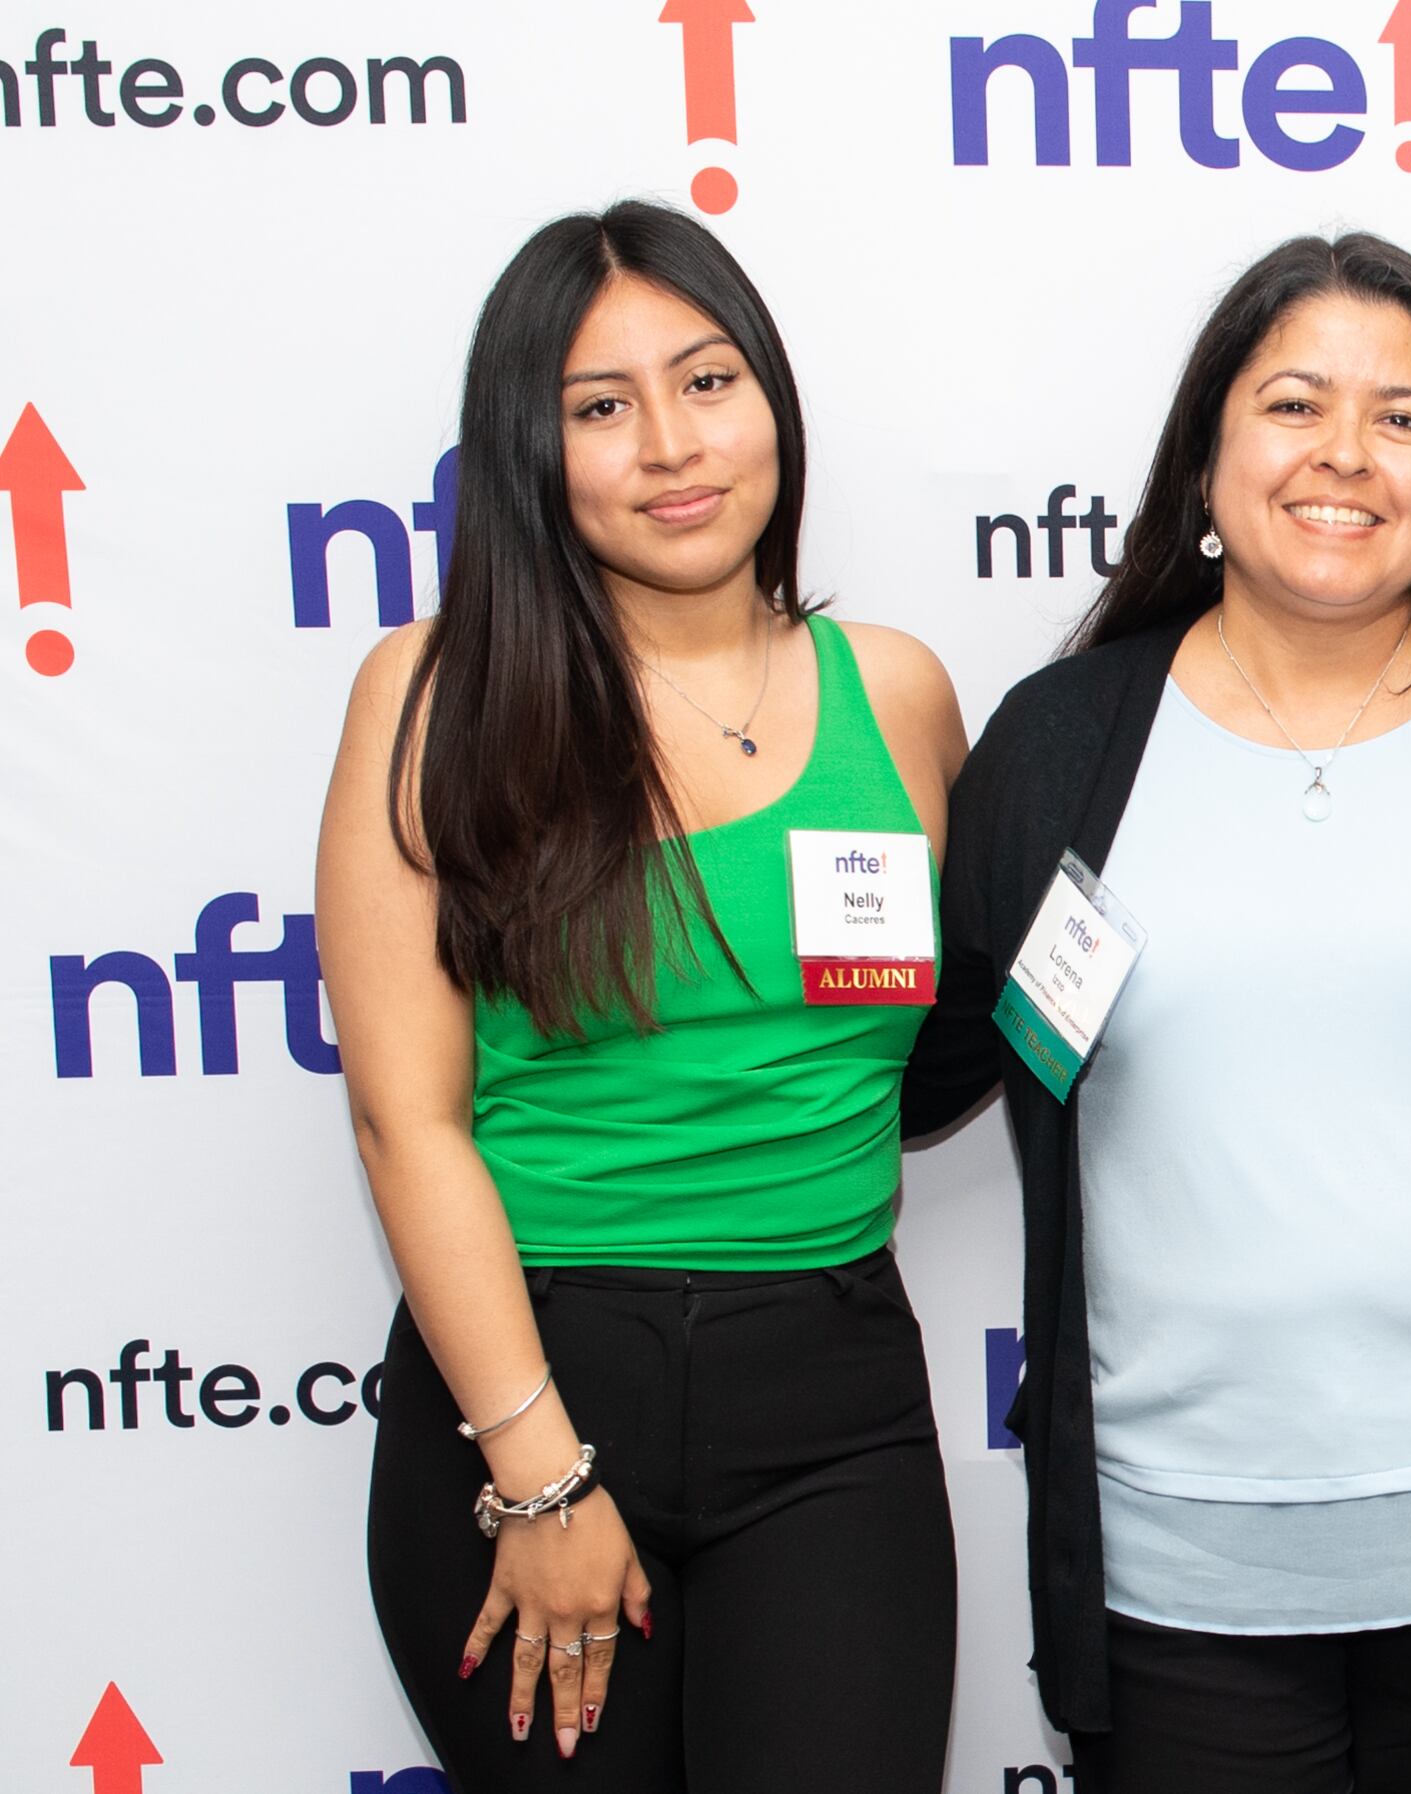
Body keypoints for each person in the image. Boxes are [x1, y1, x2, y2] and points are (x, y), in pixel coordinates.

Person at [902, 232, 1411, 1794]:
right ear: (1207, 453)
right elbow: (926, 1065)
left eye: (1403, 417)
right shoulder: (1060, 748)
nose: (1345, 454)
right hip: (1178, 1587)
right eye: (1294, 404)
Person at [318, 199, 967, 1792]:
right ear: (530, 452)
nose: (672, 445)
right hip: (527, 1380)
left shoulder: (896, 690)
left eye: (709, 380)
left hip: (833, 1394)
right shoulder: (434, 693)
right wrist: (535, 1477)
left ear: (773, 404)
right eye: (601, 408)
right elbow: (410, 1120)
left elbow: (946, 1037)